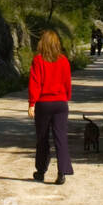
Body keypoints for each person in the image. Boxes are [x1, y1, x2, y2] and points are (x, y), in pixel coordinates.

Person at [28, 28, 73, 185]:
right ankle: (62, 172)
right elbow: (67, 83)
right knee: (61, 138)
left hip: (44, 104)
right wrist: (65, 98)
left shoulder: (38, 60)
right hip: (61, 104)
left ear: (42, 43)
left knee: (42, 138)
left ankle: (41, 171)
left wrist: (32, 104)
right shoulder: (64, 61)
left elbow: (35, 83)